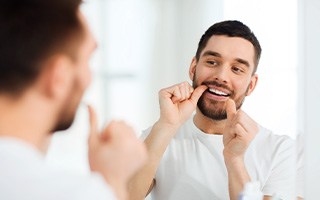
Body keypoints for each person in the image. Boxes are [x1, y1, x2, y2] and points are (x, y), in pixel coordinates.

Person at [129, 20, 296, 200]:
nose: (221, 76)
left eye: (237, 69)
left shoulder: (281, 151)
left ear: (251, 85)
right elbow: (124, 196)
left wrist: (235, 161)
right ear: (193, 68)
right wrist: (167, 126)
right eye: (212, 62)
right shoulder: (157, 137)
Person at [0, 0, 146, 200]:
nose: (88, 77)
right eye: (87, 59)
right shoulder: (70, 194)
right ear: (58, 77)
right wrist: (113, 181)